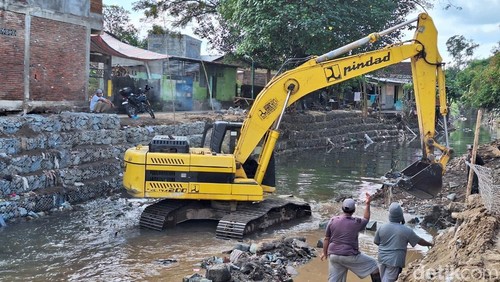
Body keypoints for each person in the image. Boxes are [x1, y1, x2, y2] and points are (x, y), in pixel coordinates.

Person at [321, 193, 381, 282]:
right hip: (349, 255)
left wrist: (325, 253)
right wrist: (367, 204)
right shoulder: (356, 222)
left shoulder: (333, 220)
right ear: (354, 210)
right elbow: (366, 219)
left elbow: (327, 238)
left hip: (333, 255)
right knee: (373, 265)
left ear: (342, 209)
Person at [374, 202, 433, 282]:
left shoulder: (381, 227)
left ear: (389, 215)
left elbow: (376, 242)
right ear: (401, 216)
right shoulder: (406, 230)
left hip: (381, 259)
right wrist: (430, 244)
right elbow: (419, 241)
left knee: (380, 279)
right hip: (395, 261)